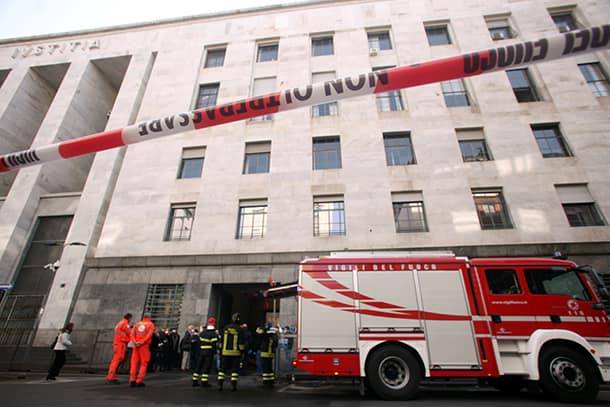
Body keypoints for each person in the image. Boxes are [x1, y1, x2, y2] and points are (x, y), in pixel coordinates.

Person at [218, 313, 245, 392]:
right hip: (235, 353)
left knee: (222, 370)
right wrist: (242, 352)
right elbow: (241, 343)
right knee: (234, 371)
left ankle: (220, 385)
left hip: (225, 352)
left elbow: (221, 340)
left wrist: (220, 350)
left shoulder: (225, 328)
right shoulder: (239, 329)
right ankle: (233, 386)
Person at [129, 313, 155, 387]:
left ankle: (132, 380)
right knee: (144, 363)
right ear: (149, 317)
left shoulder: (137, 324)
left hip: (136, 346)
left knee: (134, 363)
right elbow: (149, 335)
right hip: (144, 346)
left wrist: (135, 342)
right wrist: (142, 342)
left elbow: (132, 334)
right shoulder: (150, 324)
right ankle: (139, 381)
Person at [106, 313, 133, 384]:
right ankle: (110, 377)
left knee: (118, 359)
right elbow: (129, 332)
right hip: (120, 344)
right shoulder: (125, 323)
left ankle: (111, 376)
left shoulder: (121, 323)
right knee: (116, 360)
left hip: (118, 343)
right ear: (129, 318)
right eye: (131, 319)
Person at [192, 317, 218, 387]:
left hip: (201, 352)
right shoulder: (213, 334)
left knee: (198, 366)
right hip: (209, 353)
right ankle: (204, 382)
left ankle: (194, 381)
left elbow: (199, 342)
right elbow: (214, 344)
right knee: (206, 367)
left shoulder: (203, 333)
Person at [258, 323, 278, 388]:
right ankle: (271, 381)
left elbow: (258, 331)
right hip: (270, 354)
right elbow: (275, 345)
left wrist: (262, 328)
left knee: (265, 370)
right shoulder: (274, 335)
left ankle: (266, 383)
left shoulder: (265, 335)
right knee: (269, 369)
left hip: (264, 354)